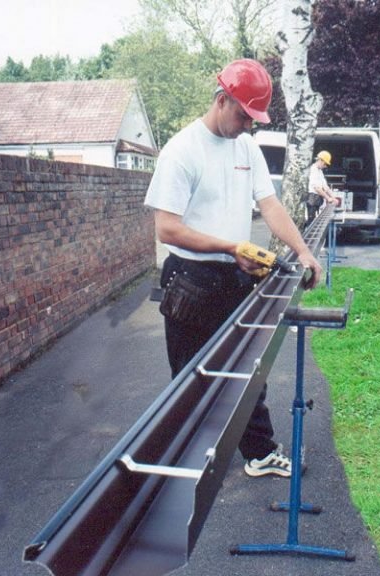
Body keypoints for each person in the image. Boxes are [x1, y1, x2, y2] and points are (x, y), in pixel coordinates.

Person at [144, 59, 323, 478]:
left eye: (253, 118)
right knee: (192, 377)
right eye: (244, 115)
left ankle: (259, 454)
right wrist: (229, 246)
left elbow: (270, 205)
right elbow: (167, 228)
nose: (248, 125)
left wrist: (302, 251)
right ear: (222, 100)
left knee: (247, 368)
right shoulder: (181, 151)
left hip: (235, 275)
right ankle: (185, 470)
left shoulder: (246, 147)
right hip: (190, 280)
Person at [306, 150, 338, 226]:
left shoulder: (319, 171)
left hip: (317, 200)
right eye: (325, 164)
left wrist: (334, 197)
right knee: (311, 222)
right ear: (320, 160)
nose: (325, 166)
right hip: (312, 199)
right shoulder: (313, 170)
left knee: (315, 221)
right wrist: (328, 198)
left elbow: (325, 187)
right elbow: (317, 188)